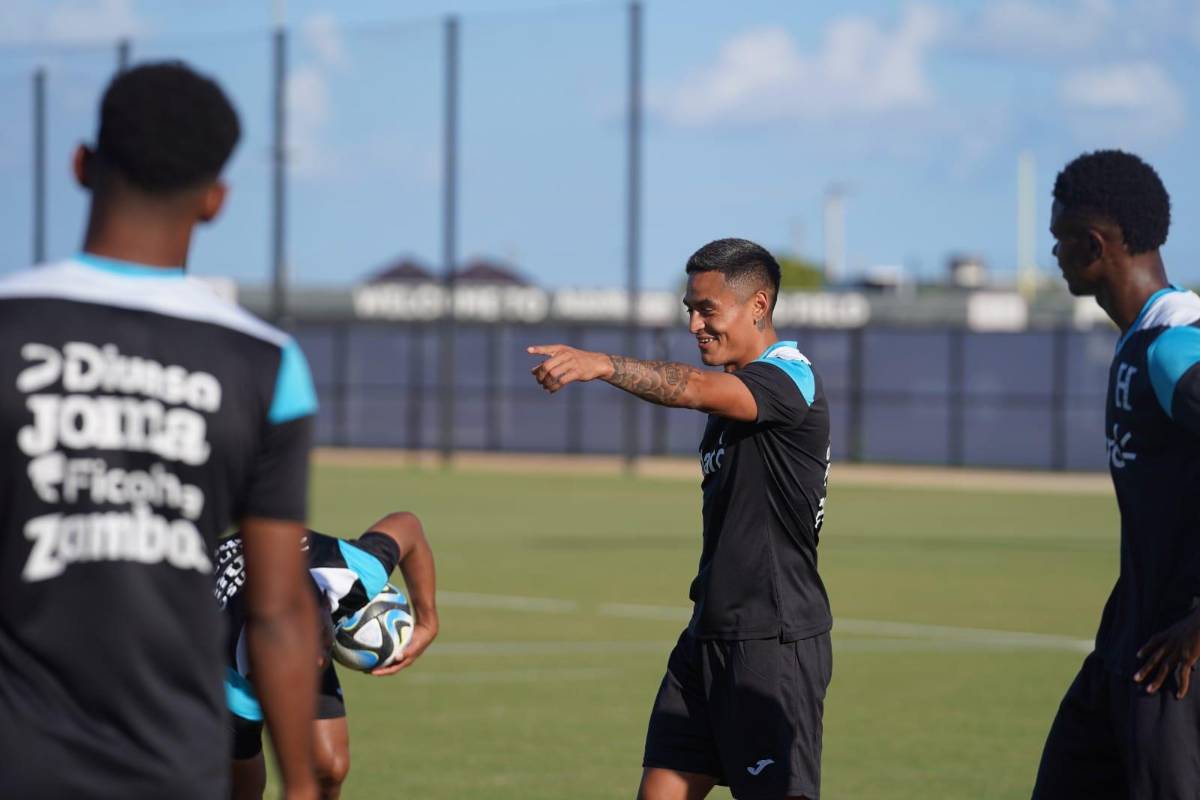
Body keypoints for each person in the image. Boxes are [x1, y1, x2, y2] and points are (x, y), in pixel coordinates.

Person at [0, 62, 321, 799]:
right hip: (175, 764)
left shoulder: (8, 326)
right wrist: (302, 786)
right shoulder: (266, 364)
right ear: (215, 201)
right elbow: (276, 611)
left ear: (81, 165)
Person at [529, 238, 833, 800]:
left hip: (771, 640)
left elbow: (692, 389)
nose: (694, 324)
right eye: (689, 310)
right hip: (706, 636)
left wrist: (603, 364)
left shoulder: (791, 378)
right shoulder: (734, 399)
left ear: (759, 305)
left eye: (706, 310)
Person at [1032, 150, 1200, 798]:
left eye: (1061, 239)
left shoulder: (1173, 347)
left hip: (1174, 660)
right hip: (1123, 645)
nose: (1054, 254)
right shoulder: (1142, 339)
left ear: (1095, 245)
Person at [216, 511, 440, 800]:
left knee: (330, 767)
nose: (321, 660)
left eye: (322, 644)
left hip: (295, 575)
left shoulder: (347, 575)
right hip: (238, 653)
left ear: (326, 606)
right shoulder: (233, 664)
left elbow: (408, 526)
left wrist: (428, 621)